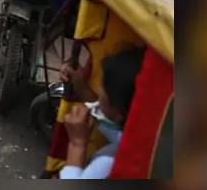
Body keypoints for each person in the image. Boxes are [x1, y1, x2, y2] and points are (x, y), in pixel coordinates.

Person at [59, 46, 147, 179]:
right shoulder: (146, 141)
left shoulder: (107, 166)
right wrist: (84, 92)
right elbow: (121, 137)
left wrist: (76, 145)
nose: (98, 94)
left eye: (101, 94)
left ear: (119, 113)